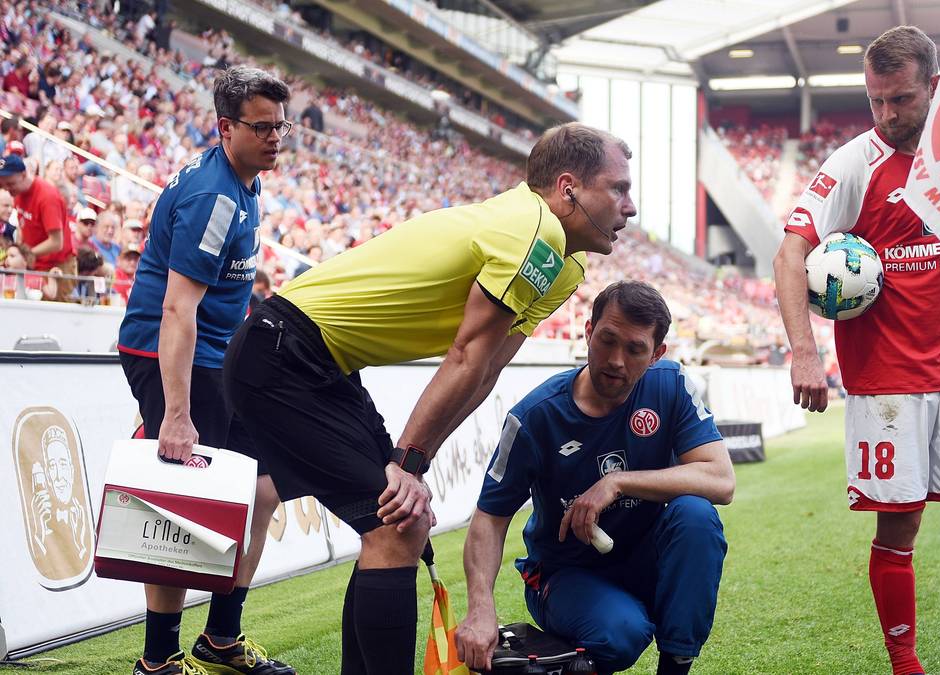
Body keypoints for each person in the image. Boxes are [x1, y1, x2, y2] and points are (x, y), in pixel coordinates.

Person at [223, 122, 637, 674]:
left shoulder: (562, 263)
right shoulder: (535, 235)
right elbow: (466, 355)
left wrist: (415, 463)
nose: (630, 207)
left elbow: (487, 368)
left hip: (315, 361)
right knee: (398, 525)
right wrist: (409, 462)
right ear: (569, 189)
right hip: (281, 352)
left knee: (397, 527)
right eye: (618, 189)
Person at [773, 26, 940, 675]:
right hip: (885, 385)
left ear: (932, 85)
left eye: (900, 100)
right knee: (900, 531)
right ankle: (906, 664)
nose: (887, 115)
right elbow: (790, 254)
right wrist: (803, 352)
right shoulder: (851, 165)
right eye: (876, 102)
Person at [457, 280, 734, 675]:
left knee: (696, 515)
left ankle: (674, 668)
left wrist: (617, 482)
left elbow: (721, 481)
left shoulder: (672, 384)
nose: (616, 360)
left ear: (657, 354)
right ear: (588, 333)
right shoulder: (535, 416)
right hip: (565, 573)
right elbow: (489, 517)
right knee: (620, 634)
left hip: (645, 558)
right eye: (607, 340)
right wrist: (480, 609)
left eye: (635, 349)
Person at [116, 65, 295, 675]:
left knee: (265, 490)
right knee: (179, 504)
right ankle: (159, 660)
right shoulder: (214, 197)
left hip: (221, 359)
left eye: (281, 126)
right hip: (174, 357)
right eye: (262, 127)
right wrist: (175, 413)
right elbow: (176, 308)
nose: (276, 138)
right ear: (226, 127)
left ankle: (219, 639)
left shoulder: (243, 181)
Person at [0, 154, 76, 301]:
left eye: (10, 184)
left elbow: (56, 242)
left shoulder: (47, 196)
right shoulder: (18, 193)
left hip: (57, 266)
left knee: (53, 317)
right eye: (3, 185)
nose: (7, 189)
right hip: (35, 265)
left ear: (23, 175)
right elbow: (23, 226)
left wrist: (25, 255)